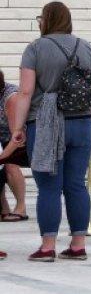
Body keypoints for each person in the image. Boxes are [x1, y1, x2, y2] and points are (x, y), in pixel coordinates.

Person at [8, 1, 91, 261]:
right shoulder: (86, 47)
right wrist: (89, 119)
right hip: (82, 122)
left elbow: (25, 92)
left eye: (41, 17)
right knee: (76, 185)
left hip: (46, 123)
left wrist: (18, 128)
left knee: (49, 187)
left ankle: (48, 247)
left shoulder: (36, 48)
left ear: (47, 19)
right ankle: (77, 245)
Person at [0, 69, 28, 223]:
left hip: (24, 140)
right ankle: (3, 208)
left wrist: (2, 158)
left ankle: (21, 207)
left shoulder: (11, 98)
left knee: (9, 164)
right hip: (3, 140)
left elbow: (17, 137)